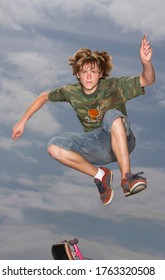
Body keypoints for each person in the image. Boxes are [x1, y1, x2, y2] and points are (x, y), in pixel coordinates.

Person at [12, 34, 155, 205]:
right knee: (54, 147)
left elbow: (147, 80)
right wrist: (22, 121)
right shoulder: (71, 91)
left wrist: (146, 63)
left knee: (111, 115)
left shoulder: (115, 86)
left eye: (93, 72)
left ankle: (126, 179)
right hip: (96, 147)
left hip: (122, 139)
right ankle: (101, 175)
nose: (88, 77)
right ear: (77, 75)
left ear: (100, 73)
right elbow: (44, 96)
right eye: (84, 72)